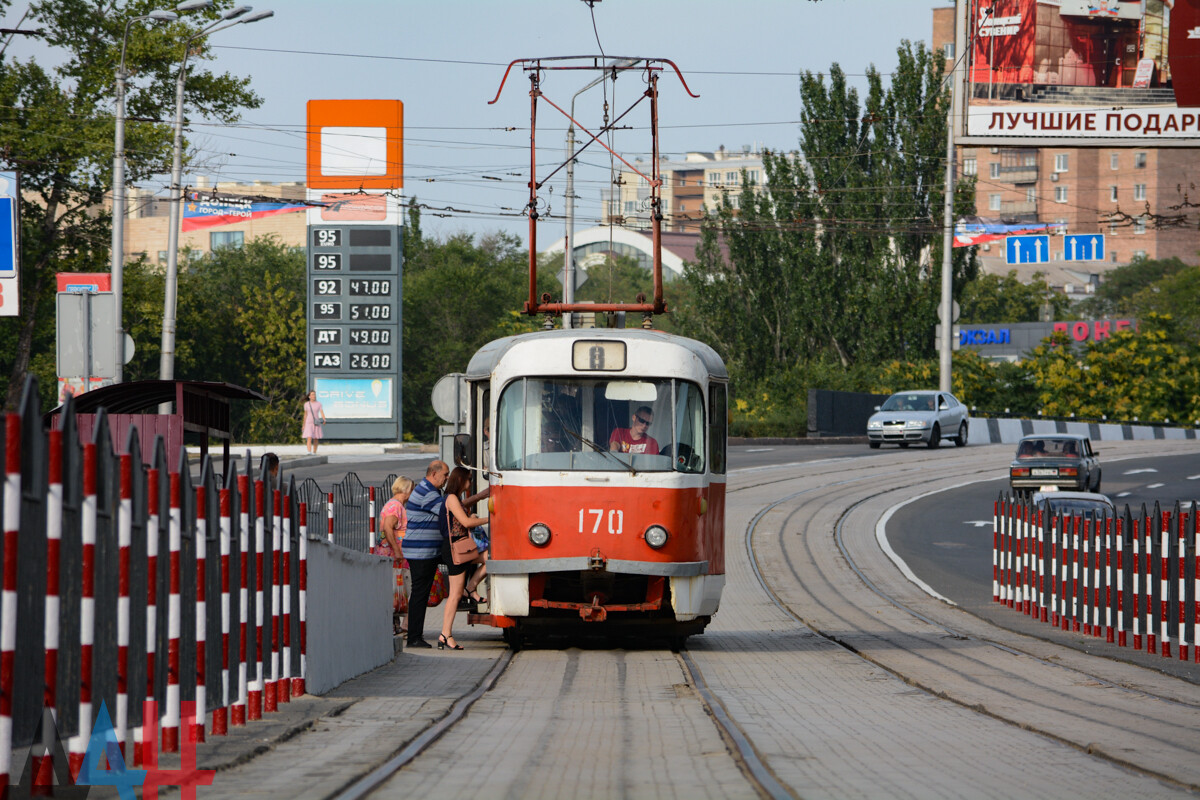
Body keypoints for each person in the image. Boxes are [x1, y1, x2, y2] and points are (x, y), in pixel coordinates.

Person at [437, 467, 489, 651]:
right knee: (454, 596)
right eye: (468, 480)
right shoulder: (451, 498)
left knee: (490, 557)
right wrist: (488, 519)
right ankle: (445, 634)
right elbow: (466, 523)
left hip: (463, 547)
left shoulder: (455, 499)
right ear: (460, 481)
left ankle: (471, 587)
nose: (470, 484)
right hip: (456, 550)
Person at [403, 460, 450, 649]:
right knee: (420, 594)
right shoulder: (428, 492)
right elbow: (447, 512)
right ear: (434, 474)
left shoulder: (429, 490)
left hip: (425, 550)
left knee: (420, 594)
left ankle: (415, 635)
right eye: (445, 474)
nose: (446, 478)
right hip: (421, 552)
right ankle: (414, 637)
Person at [377, 476, 415, 636]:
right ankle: (403, 626)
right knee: (403, 592)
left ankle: (397, 626)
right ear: (406, 490)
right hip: (397, 559)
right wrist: (397, 551)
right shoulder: (395, 506)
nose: (413, 493)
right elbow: (387, 527)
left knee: (395, 593)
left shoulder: (394, 505)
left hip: (394, 558)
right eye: (412, 489)